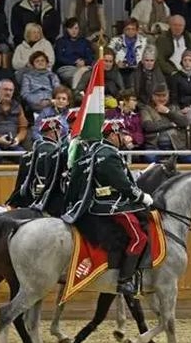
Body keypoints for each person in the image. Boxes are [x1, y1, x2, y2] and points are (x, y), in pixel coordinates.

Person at [61, 117, 154, 295]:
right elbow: (122, 185)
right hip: (111, 205)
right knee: (139, 238)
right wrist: (142, 197)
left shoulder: (98, 150)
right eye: (120, 134)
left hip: (107, 201)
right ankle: (124, 280)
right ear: (112, 135)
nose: (124, 138)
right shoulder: (108, 154)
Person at [8, 115, 67, 215]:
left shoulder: (29, 153)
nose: (60, 133)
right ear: (54, 132)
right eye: (59, 131)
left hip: (30, 197)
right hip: (49, 199)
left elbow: (21, 181)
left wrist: (12, 201)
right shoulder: (55, 151)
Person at [54, 18, 94, 85]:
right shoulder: (60, 42)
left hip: (84, 67)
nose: (74, 31)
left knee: (86, 74)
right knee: (83, 75)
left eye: (76, 28)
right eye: (71, 28)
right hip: (66, 68)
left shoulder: (84, 42)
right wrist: (74, 62)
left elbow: (90, 57)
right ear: (66, 29)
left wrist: (84, 61)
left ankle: (77, 91)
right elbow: (59, 58)